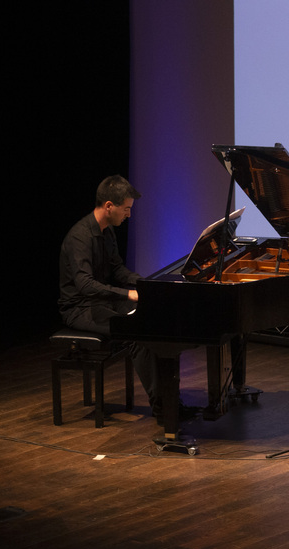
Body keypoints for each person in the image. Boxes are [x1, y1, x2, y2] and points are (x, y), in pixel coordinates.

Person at [58, 175, 195, 425]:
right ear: (109, 206)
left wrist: (144, 285)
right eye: (126, 209)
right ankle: (164, 409)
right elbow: (85, 286)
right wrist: (128, 294)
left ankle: (172, 401)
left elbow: (118, 270)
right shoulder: (80, 237)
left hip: (103, 301)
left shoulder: (107, 232)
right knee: (135, 333)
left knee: (153, 320)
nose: (129, 214)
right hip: (79, 308)